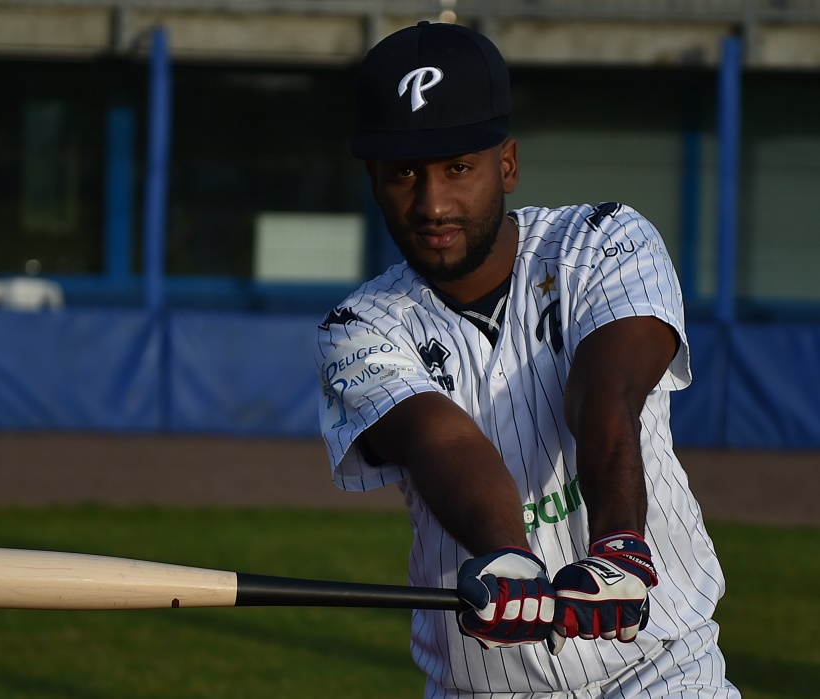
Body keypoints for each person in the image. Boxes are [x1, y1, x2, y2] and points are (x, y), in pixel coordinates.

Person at [314, 21, 740, 698]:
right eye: (404, 173)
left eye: (458, 167)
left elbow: (606, 394)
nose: (432, 203)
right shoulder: (357, 325)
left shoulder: (603, 241)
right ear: (374, 181)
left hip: (661, 668)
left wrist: (619, 547)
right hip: (484, 685)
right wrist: (506, 553)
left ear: (507, 164)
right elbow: (441, 442)